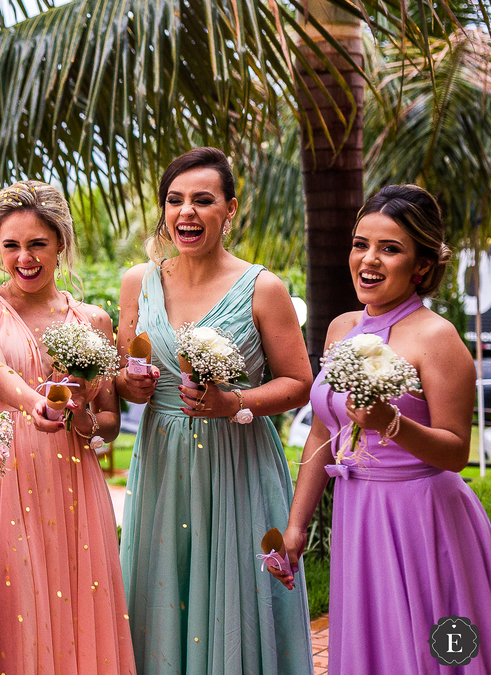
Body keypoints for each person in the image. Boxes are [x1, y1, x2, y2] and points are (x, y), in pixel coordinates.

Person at [277, 184, 491, 673]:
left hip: (422, 519)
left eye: (389, 248)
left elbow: (457, 452)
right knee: (372, 646)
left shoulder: (437, 338)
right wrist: (296, 526)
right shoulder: (340, 328)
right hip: (358, 516)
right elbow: (320, 433)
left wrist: (392, 424)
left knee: (429, 650)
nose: (368, 260)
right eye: (361, 244)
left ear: (421, 266)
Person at [114, 147, 314, 674]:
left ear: (230, 209)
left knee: (239, 595)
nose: (187, 213)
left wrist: (235, 402)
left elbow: (299, 384)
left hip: (238, 462)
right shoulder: (138, 282)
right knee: (163, 588)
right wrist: (131, 384)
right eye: (175, 200)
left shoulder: (262, 287)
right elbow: (124, 380)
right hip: (162, 463)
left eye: (203, 200)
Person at [0, 181, 134, 675]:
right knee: (8, 604)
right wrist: (37, 402)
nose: (24, 257)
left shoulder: (93, 321)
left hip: (72, 484)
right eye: (10, 245)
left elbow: (109, 426)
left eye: (37, 243)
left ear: (60, 244)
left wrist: (79, 408)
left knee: (74, 607)